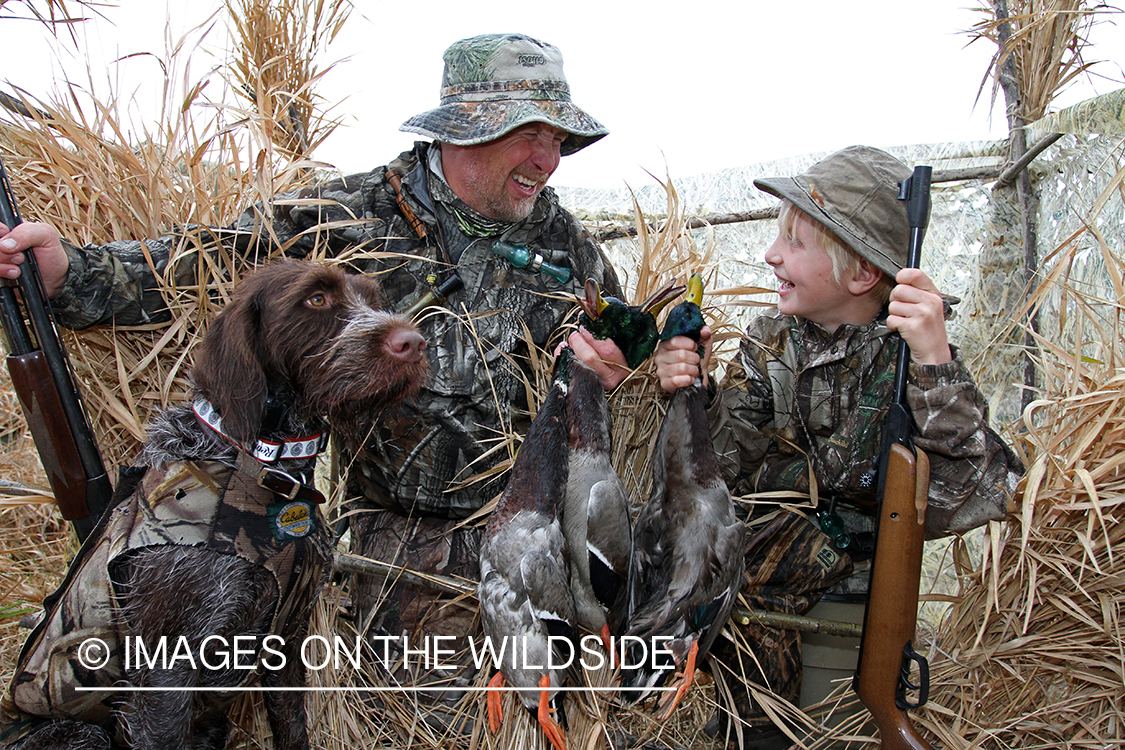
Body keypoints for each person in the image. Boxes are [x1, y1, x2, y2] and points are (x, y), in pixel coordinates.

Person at [0, 32, 629, 736]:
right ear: (463, 131)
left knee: (572, 706)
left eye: (556, 138)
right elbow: (194, 263)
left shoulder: (566, 248)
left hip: (528, 527)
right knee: (446, 725)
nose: (545, 160)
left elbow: (619, 346)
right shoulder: (341, 217)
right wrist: (67, 274)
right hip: (404, 536)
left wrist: (620, 370)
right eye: (527, 134)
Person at [654, 145, 1025, 749]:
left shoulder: (907, 360)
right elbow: (717, 471)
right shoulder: (771, 342)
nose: (771, 254)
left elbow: (979, 493)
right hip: (752, 611)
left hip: (857, 622)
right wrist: (692, 392)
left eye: (795, 242)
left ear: (860, 275)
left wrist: (935, 364)